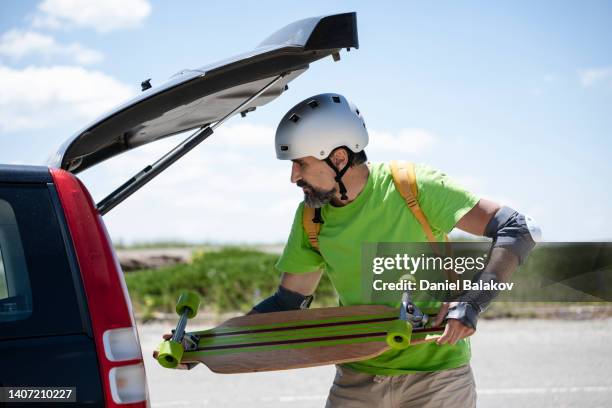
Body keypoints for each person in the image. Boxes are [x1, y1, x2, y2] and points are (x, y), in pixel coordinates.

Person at [249, 93, 540, 408]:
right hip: (357, 377)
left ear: (339, 158)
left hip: (437, 380)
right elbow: (289, 302)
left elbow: (517, 229)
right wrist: (210, 342)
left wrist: (471, 303)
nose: (294, 177)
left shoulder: (413, 186)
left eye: (301, 163)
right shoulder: (311, 216)